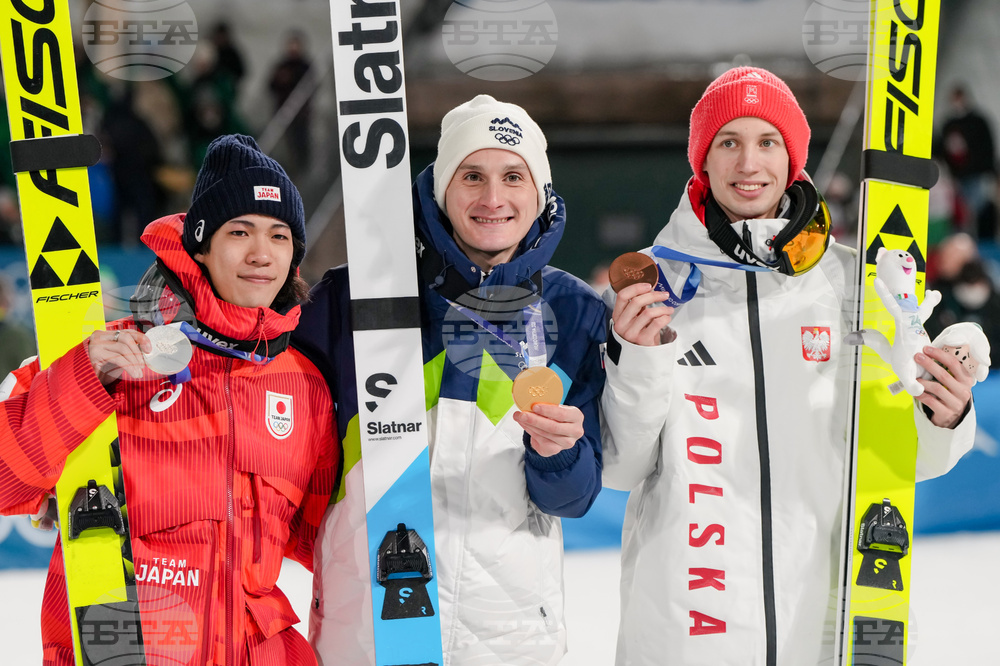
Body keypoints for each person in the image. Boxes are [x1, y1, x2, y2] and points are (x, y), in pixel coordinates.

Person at [600, 67, 977, 665]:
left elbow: (915, 461)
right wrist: (640, 357)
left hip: (824, 617)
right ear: (703, 159)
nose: (749, 162)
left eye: (767, 141)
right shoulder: (649, 284)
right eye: (728, 141)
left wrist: (948, 415)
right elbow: (620, 467)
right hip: (688, 624)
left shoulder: (860, 282)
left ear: (793, 157)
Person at [292, 95, 606, 665]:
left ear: (540, 193)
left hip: (511, 636)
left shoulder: (576, 311)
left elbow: (575, 499)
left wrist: (558, 454)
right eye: (472, 176)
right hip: (367, 629)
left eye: (514, 176)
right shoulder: (349, 299)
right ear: (441, 188)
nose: (493, 198)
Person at [0, 135, 337, 665]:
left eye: (279, 235)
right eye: (239, 231)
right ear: (199, 243)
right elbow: (4, 479)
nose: (261, 254)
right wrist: (80, 381)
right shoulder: (112, 354)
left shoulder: (303, 384)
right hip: (129, 651)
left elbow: (329, 543)